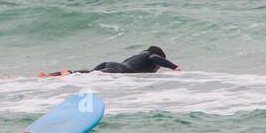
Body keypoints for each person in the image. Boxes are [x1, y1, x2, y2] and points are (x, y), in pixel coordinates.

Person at [39, 45, 182, 77]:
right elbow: (154, 58)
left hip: (112, 64)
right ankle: (68, 73)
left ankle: (52, 75)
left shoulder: (138, 56)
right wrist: (174, 67)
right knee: (89, 75)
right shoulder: (151, 57)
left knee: (90, 73)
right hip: (120, 69)